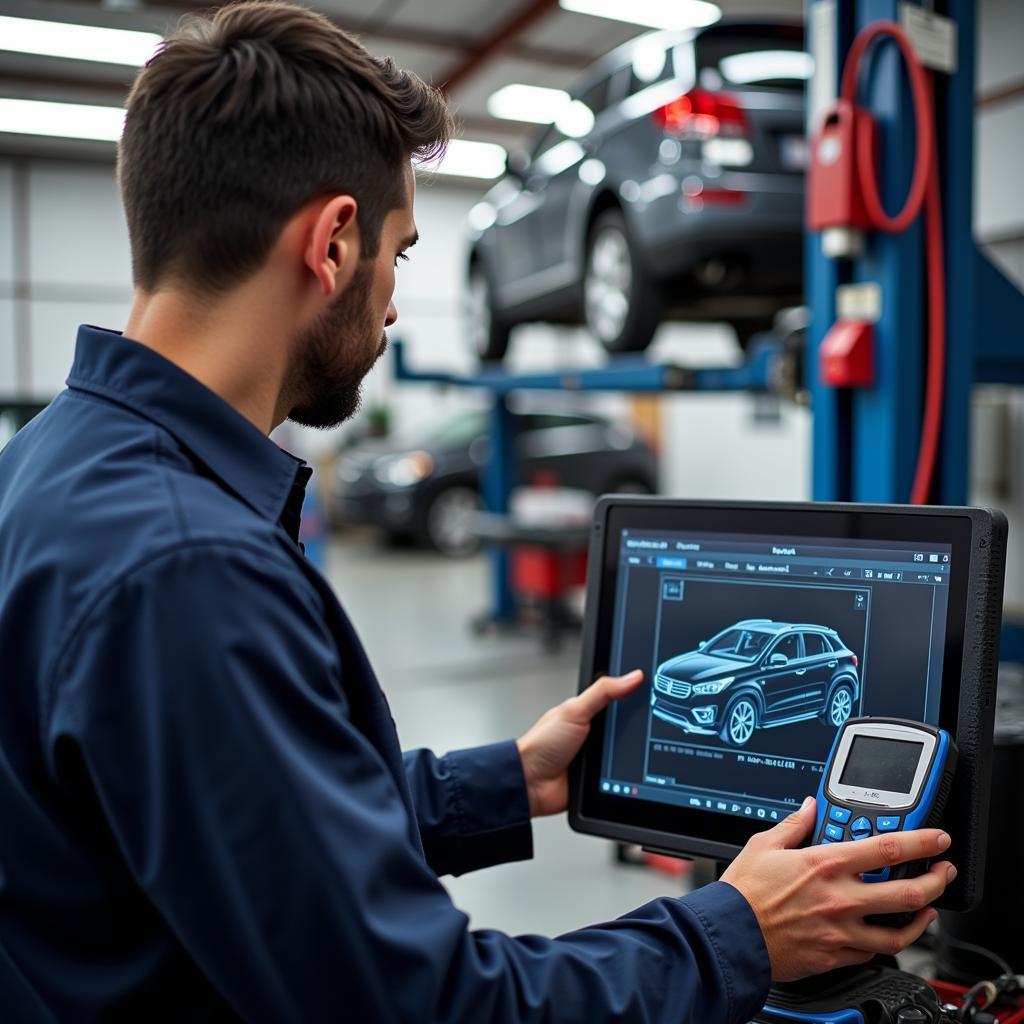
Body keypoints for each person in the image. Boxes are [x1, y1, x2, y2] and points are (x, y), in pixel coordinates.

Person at [0, 3, 955, 1021]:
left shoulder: (52, 466)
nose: (394, 306)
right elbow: (421, 1004)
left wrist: (506, 782)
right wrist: (737, 932)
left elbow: (247, 836)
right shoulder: (186, 566)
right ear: (332, 243)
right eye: (399, 254)